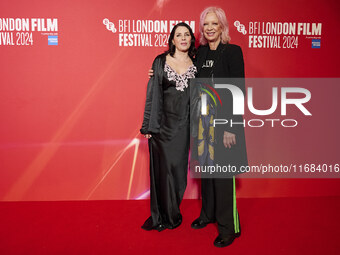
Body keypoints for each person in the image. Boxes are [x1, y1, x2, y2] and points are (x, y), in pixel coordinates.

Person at [190, 7, 248, 248]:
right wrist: (158, 68)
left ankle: (228, 227)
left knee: (223, 176)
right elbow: (181, 65)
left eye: (214, 23)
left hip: (225, 125)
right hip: (203, 124)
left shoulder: (232, 52)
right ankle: (208, 214)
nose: (210, 28)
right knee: (207, 174)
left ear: (222, 26)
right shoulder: (200, 53)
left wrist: (230, 127)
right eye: (206, 24)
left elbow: (238, 91)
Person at [140, 22, 197, 231]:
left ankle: (172, 211)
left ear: (191, 39)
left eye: (187, 35)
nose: (183, 38)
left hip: (183, 126)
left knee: (178, 172)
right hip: (162, 126)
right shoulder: (160, 61)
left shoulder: (197, 62)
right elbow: (152, 94)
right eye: (178, 35)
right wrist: (148, 126)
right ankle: (164, 216)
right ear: (172, 39)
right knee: (162, 173)